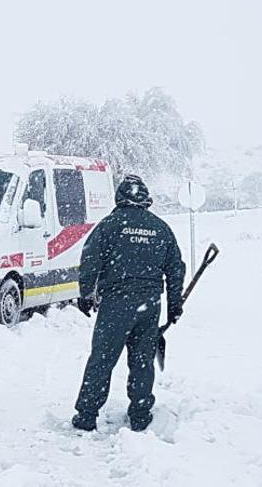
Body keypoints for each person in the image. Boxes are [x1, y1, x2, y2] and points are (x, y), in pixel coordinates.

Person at [72, 174, 186, 432]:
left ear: (120, 198)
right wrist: (174, 304)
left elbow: (90, 261)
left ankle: (87, 415)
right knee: (142, 360)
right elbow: (175, 269)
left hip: (116, 304)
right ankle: (140, 414)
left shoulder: (109, 225)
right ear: (144, 198)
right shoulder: (161, 228)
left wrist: (85, 293)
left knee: (102, 359)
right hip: (149, 305)